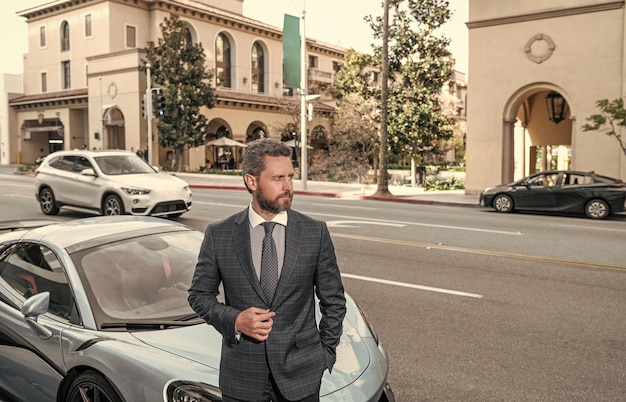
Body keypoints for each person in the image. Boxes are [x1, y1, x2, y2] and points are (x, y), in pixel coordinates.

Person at [188, 138, 346, 402]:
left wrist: (325, 353)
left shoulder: (314, 232)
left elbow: (334, 300)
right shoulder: (220, 234)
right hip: (242, 377)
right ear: (252, 182)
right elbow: (199, 295)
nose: (288, 187)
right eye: (277, 178)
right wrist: (235, 320)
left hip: (301, 377)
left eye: (290, 177)